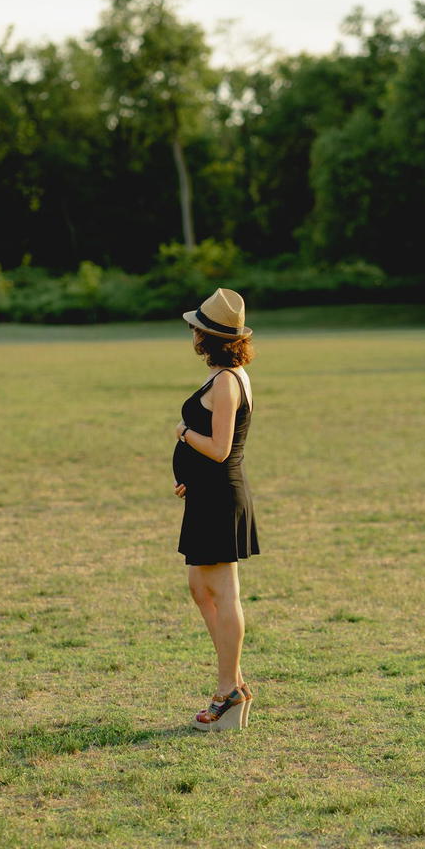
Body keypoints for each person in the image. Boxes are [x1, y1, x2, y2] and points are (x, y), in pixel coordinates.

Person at [172, 287, 259, 731]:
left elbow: (220, 449)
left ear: (208, 336)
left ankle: (228, 691)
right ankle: (236, 682)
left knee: (223, 593)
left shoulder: (227, 381)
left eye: (196, 329)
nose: (192, 335)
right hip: (208, 496)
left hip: (222, 498)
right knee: (200, 588)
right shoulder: (229, 374)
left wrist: (183, 434)